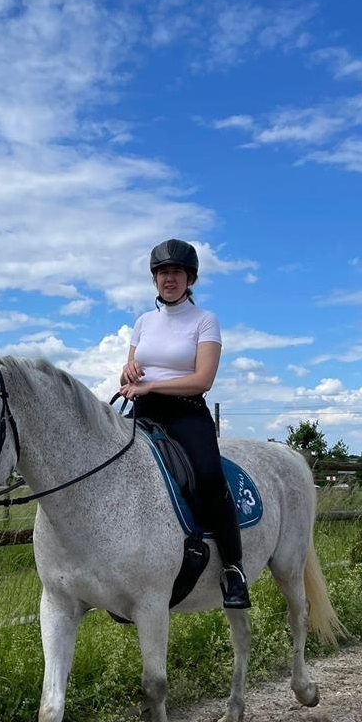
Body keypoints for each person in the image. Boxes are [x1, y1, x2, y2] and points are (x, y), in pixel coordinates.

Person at [120, 238, 250, 608]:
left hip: (187, 412)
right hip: (143, 410)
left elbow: (203, 379)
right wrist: (127, 373)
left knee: (209, 478)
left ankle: (233, 570)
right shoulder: (143, 322)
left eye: (176, 272)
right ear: (154, 279)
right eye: (162, 272)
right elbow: (128, 377)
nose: (169, 278)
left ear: (189, 278)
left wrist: (152, 384)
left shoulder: (205, 321)